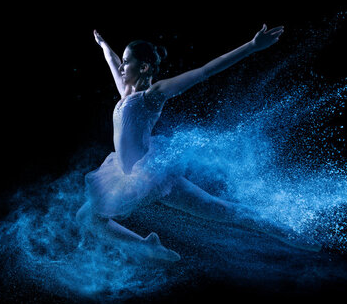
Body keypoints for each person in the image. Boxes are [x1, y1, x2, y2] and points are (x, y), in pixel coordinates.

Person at [76, 24, 315, 261]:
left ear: (144, 67)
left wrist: (252, 46)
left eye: (127, 62)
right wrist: (104, 45)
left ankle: (291, 232)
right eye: (123, 61)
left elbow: (204, 71)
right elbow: (112, 62)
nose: (121, 67)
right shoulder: (126, 95)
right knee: (86, 218)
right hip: (122, 176)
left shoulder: (153, 95)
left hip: (150, 175)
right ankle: (149, 247)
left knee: (222, 210)